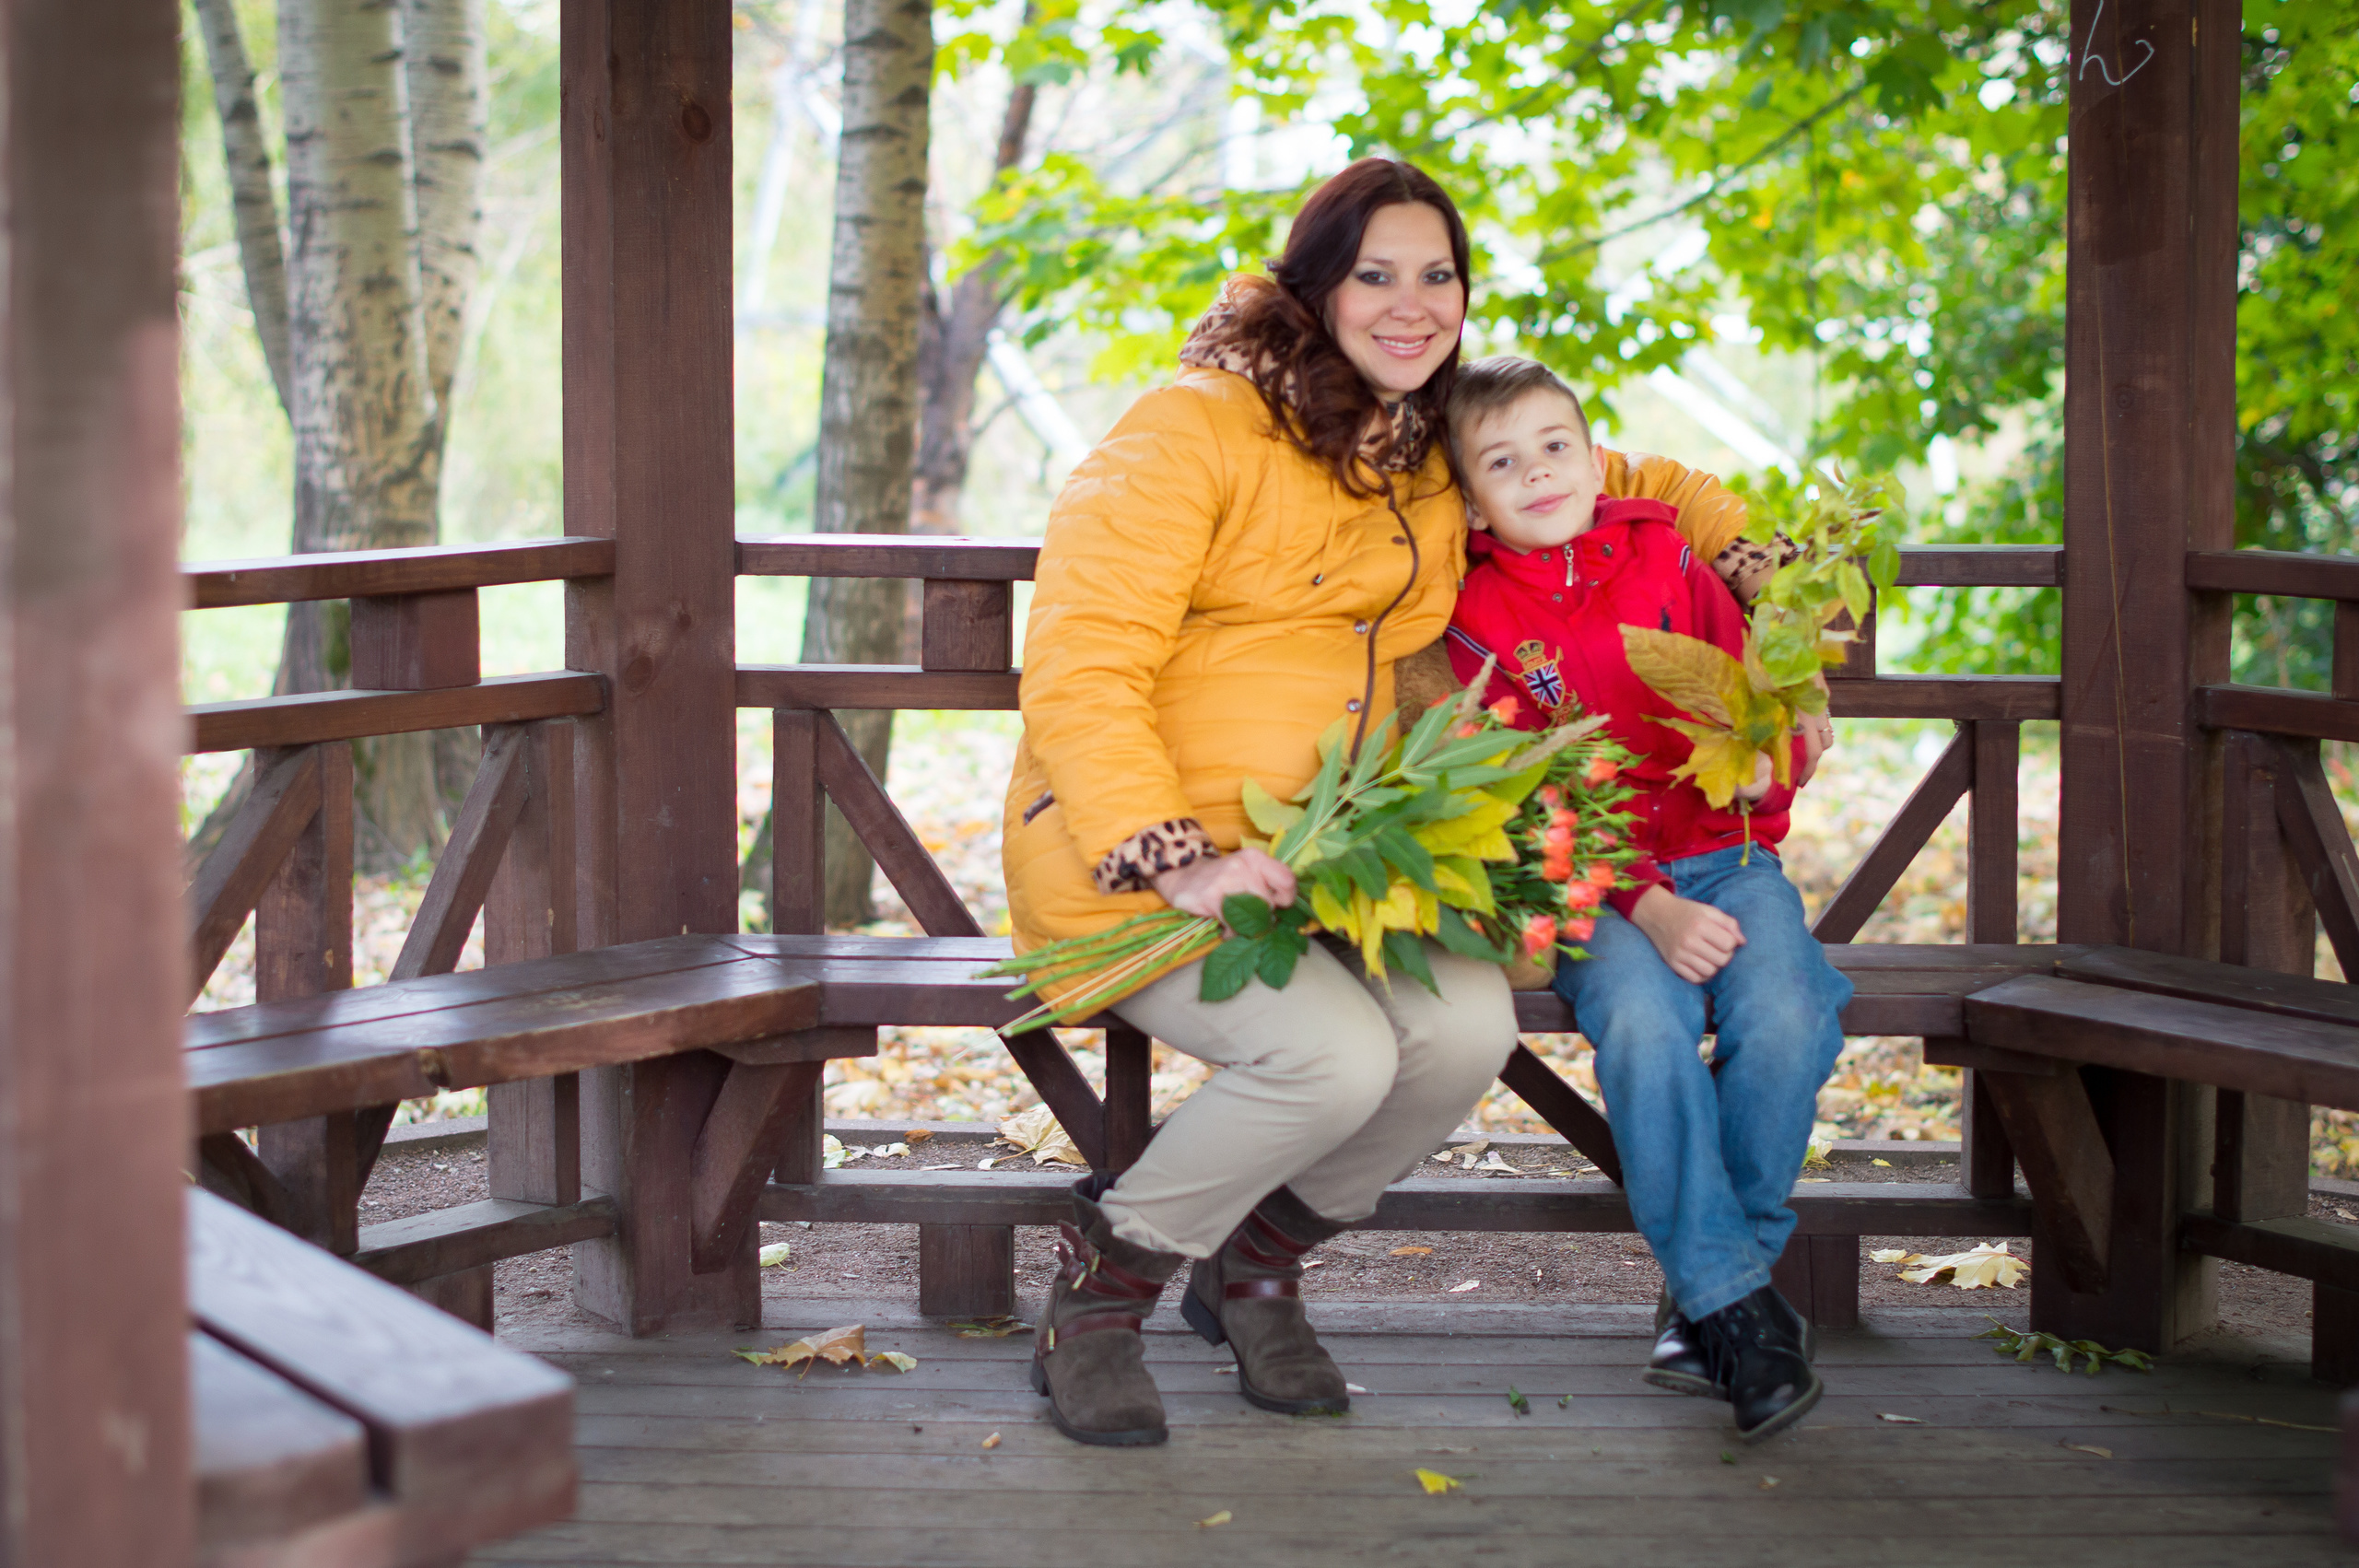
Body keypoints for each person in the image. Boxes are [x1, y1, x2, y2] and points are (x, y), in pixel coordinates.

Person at [1002, 158, 1770, 1451]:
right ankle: (1103, 1292)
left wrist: (1760, 564)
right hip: (1141, 864)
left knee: (1463, 1030)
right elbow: (1081, 662)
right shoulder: (1192, 428)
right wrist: (1175, 853)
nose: (1413, 305)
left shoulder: (1428, 450)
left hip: (1345, 857)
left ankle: (1252, 1266)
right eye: (1377, 274)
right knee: (1332, 1056)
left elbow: (1643, 478)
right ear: (1313, 284)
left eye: (1439, 276)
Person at [1439, 356, 1848, 1445]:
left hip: (1731, 855)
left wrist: (1775, 766)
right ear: (1468, 494)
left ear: (1594, 451)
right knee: (1645, 1022)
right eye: (1501, 461)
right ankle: (1739, 1312)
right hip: (1600, 889)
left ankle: (1713, 1294)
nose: (1536, 474)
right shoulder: (1473, 612)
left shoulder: (1665, 554)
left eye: (1554, 446)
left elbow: (1755, 698)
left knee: (1787, 1010)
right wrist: (1647, 904)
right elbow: (1522, 797)